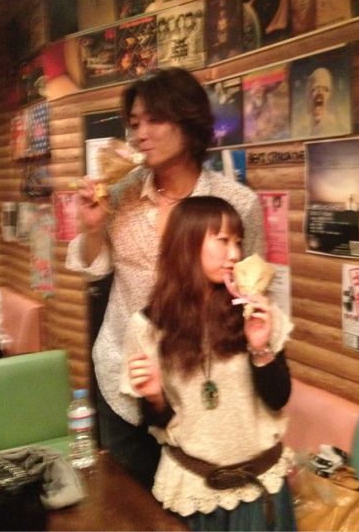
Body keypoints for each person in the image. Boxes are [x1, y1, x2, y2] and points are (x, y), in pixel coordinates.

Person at [66, 68, 264, 488]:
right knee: (129, 500)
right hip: (125, 374)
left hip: (197, 384)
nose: (140, 134)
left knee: (191, 501)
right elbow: (92, 268)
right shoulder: (119, 195)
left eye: (154, 120)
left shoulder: (235, 203)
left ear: (188, 121)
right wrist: (92, 229)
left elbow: (249, 289)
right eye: (134, 123)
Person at [123, 196, 295, 531]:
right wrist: (155, 398)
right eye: (223, 241)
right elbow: (157, 422)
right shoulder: (148, 325)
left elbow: (278, 398)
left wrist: (260, 348)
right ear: (187, 244)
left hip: (261, 486)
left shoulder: (256, 310)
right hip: (194, 491)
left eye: (238, 242)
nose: (234, 254)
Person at [301, 66, 345, 137]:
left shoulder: (337, 128)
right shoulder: (302, 130)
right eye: (315, 88)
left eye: (325, 89)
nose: (320, 93)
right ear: (308, 93)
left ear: (330, 95)